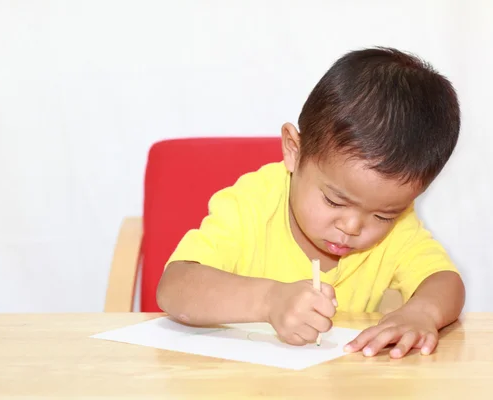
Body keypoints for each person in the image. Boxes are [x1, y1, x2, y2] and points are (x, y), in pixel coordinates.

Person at [156, 47, 465, 359]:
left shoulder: (399, 227)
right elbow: (175, 288)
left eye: (383, 216)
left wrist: (421, 313)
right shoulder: (253, 204)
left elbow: (444, 281)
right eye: (334, 200)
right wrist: (269, 301)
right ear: (293, 150)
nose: (352, 226)